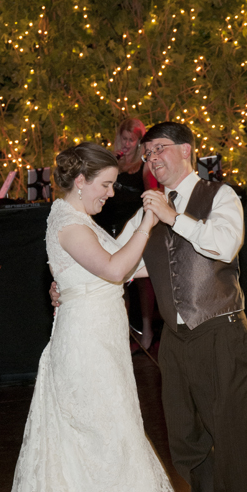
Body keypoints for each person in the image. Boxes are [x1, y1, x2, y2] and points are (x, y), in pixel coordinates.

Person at [51, 122, 247, 492]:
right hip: (176, 341)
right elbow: (116, 267)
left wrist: (173, 218)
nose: (153, 159)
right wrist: (65, 288)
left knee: (230, 437)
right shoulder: (150, 209)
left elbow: (224, 245)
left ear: (187, 150)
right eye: (147, 154)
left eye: (161, 149)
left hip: (221, 331)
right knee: (186, 441)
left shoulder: (219, 196)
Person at [0, 142, 190, 492]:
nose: (108, 193)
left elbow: (125, 265)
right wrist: (149, 223)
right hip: (84, 347)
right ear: (79, 183)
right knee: (101, 435)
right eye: (103, 185)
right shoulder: (67, 224)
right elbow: (116, 268)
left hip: (100, 342)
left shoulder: (80, 220)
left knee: (109, 433)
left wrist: (155, 232)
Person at [95, 118, 158, 350]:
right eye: (124, 138)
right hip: (109, 227)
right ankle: (123, 333)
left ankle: (147, 329)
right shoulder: (113, 162)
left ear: (139, 141)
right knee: (116, 281)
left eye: (132, 140)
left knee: (142, 281)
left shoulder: (145, 165)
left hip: (135, 227)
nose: (128, 143)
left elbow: (152, 193)